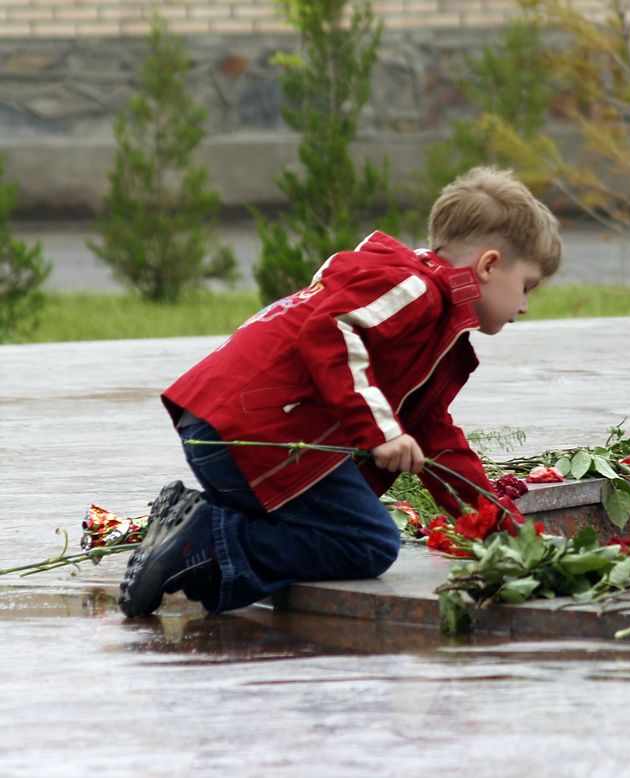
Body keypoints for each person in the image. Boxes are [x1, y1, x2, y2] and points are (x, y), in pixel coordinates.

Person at [118, 167, 563, 617]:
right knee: (365, 541)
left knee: (333, 526)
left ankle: (192, 524)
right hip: (259, 428)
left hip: (225, 426)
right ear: (488, 265)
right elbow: (329, 330)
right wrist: (381, 433)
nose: (524, 305)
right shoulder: (416, 291)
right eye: (526, 286)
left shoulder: (432, 322)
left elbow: (435, 440)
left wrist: (503, 531)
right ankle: (206, 541)